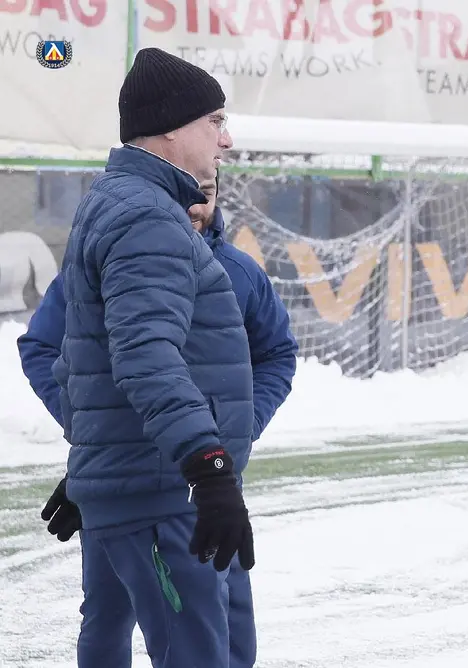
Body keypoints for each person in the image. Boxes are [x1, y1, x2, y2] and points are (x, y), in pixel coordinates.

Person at [34, 47, 263, 667]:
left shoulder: (127, 203)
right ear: (170, 128)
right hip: (162, 491)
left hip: (146, 481)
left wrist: (97, 460)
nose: (226, 139)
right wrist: (208, 467)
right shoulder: (146, 217)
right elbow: (145, 356)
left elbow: (86, 358)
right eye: (215, 121)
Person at [17, 171, 298, 668]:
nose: (195, 206)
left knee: (229, 640)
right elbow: (43, 346)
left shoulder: (239, 272)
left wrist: (227, 430)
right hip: (119, 478)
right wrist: (94, 435)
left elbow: (277, 353)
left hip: (205, 483)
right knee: (107, 623)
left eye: (205, 195)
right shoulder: (110, 254)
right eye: (186, 194)